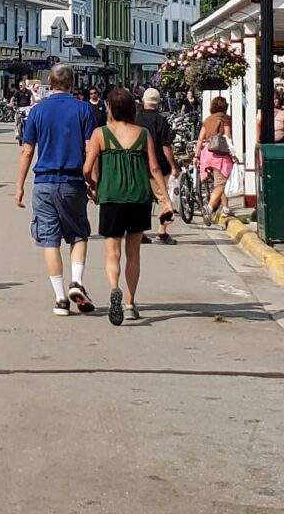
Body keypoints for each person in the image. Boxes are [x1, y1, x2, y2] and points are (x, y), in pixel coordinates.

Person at [15, 65, 101, 316]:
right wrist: (93, 182)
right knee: (78, 234)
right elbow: (90, 151)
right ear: (72, 83)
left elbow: (27, 150)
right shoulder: (83, 109)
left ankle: (61, 298)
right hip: (73, 181)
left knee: (49, 240)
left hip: (43, 182)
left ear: (50, 84)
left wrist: (19, 185)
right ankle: (77, 280)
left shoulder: (38, 110)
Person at [85, 87, 167, 325]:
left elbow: (87, 169)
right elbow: (153, 168)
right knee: (133, 253)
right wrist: (166, 199)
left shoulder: (101, 134)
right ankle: (130, 303)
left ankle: (114, 289)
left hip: (111, 197)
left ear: (110, 108)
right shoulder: (143, 134)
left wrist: (93, 185)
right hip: (138, 198)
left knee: (113, 252)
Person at [134, 86, 181, 245]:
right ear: (158, 102)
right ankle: (161, 233)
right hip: (158, 166)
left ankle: (139, 233)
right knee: (164, 200)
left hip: (138, 165)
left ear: (143, 101)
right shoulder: (161, 120)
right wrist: (173, 165)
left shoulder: (136, 119)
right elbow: (166, 146)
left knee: (142, 201)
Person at [196, 94, 237, 224]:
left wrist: (197, 156)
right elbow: (228, 137)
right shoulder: (225, 119)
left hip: (206, 153)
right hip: (219, 153)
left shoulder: (207, 120)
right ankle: (209, 208)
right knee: (221, 183)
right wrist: (233, 154)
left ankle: (225, 207)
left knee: (218, 182)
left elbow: (200, 139)